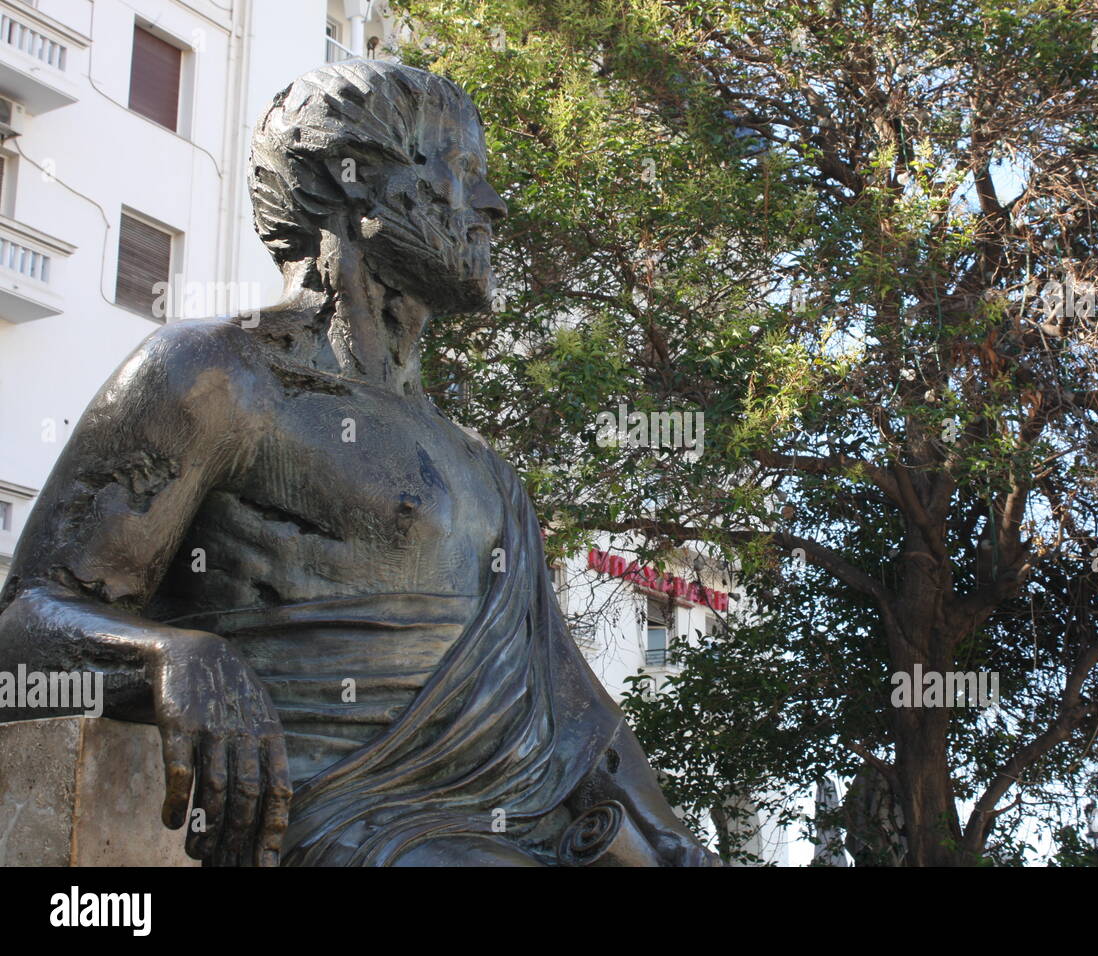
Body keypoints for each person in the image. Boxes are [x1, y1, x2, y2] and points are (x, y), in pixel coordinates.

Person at [0, 60, 717, 867]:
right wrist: (168, 657)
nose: (493, 206)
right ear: (359, 188)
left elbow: (571, 702)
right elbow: (23, 633)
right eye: (464, 173)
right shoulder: (215, 377)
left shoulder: (486, 472)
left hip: (510, 825)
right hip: (345, 829)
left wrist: (673, 842)